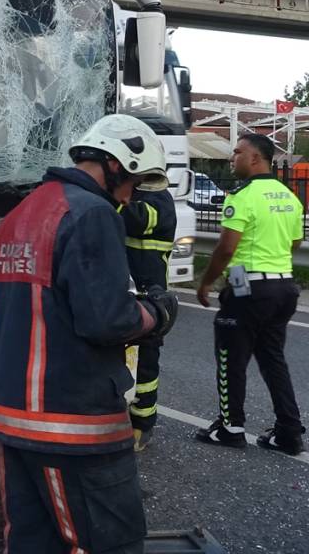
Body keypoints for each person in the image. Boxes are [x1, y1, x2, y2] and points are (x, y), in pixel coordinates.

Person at [0, 114, 180, 554]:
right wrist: (156, 313)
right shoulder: (90, 214)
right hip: (69, 423)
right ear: (114, 165)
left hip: (9, 414)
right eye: (133, 182)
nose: (131, 197)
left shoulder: (20, 214)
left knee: (32, 542)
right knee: (110, 542)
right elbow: (107, 321)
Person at [194, 133, 305, 455]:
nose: (233, 157)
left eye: (238, 152)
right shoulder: (288, 196)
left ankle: (230, 427)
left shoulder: (242, 196)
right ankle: (288, 431)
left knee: (231, 358)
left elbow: (226, 248)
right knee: (273, 360)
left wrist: (206, 282)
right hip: (284, 287)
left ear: (256, 158)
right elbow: (295, 243)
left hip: (249, 289)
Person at [119, 187, 177, 452]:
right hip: (128, 295)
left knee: (146, 367)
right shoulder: (132, 199)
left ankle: (143, 426)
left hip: (151, 301)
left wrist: (109, 199)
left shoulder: (161, 202)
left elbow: (139, 219)